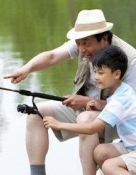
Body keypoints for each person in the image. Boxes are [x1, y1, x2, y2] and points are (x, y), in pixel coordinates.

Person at [4, 9, 136, 175]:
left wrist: (87, 102)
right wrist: (26, 68)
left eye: (86, 43)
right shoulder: (82, 45)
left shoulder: (130, 60)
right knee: (36, 112)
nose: (81, 50)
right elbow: (52, 56)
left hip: (117, 119)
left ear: (104, 39)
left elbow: (131, 105)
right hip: (86, 110)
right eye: (78, 43)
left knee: (85, 119)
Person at [44, 45, 136, 175]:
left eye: (101, 73)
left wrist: (58, 124)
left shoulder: (119, 99)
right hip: (130, 146)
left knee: (109, 167)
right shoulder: (122, 90)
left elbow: (91, 128)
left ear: (116, 74)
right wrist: (101, 106)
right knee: (100, 152)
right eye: (95, 71)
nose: (96, 77)